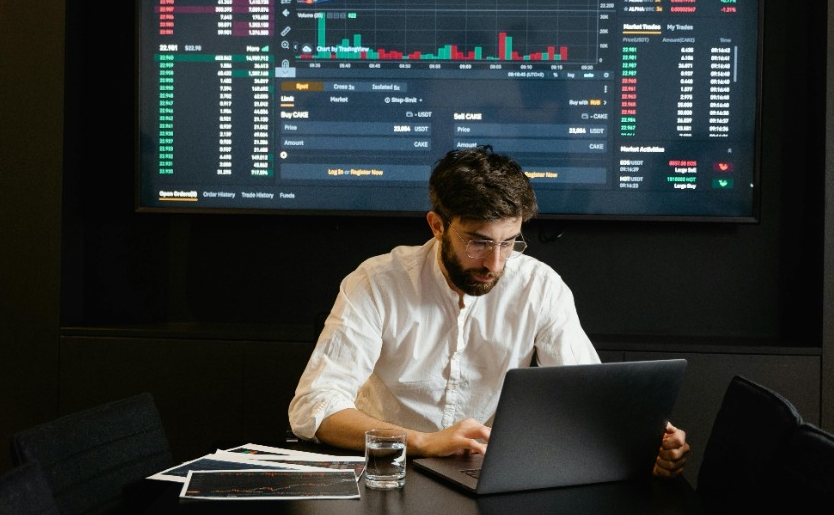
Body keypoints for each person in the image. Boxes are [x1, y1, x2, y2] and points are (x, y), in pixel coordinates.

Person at [288, 145, 690, 478]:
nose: (495, 264)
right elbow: (314, 407)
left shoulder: (539, 285)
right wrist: (423, 441)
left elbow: (590, 398)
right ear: (437, 225)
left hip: (486, 476)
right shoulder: (375, 282)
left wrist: (643, 448)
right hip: (388, 471)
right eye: (478, 243)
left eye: (510, 242)